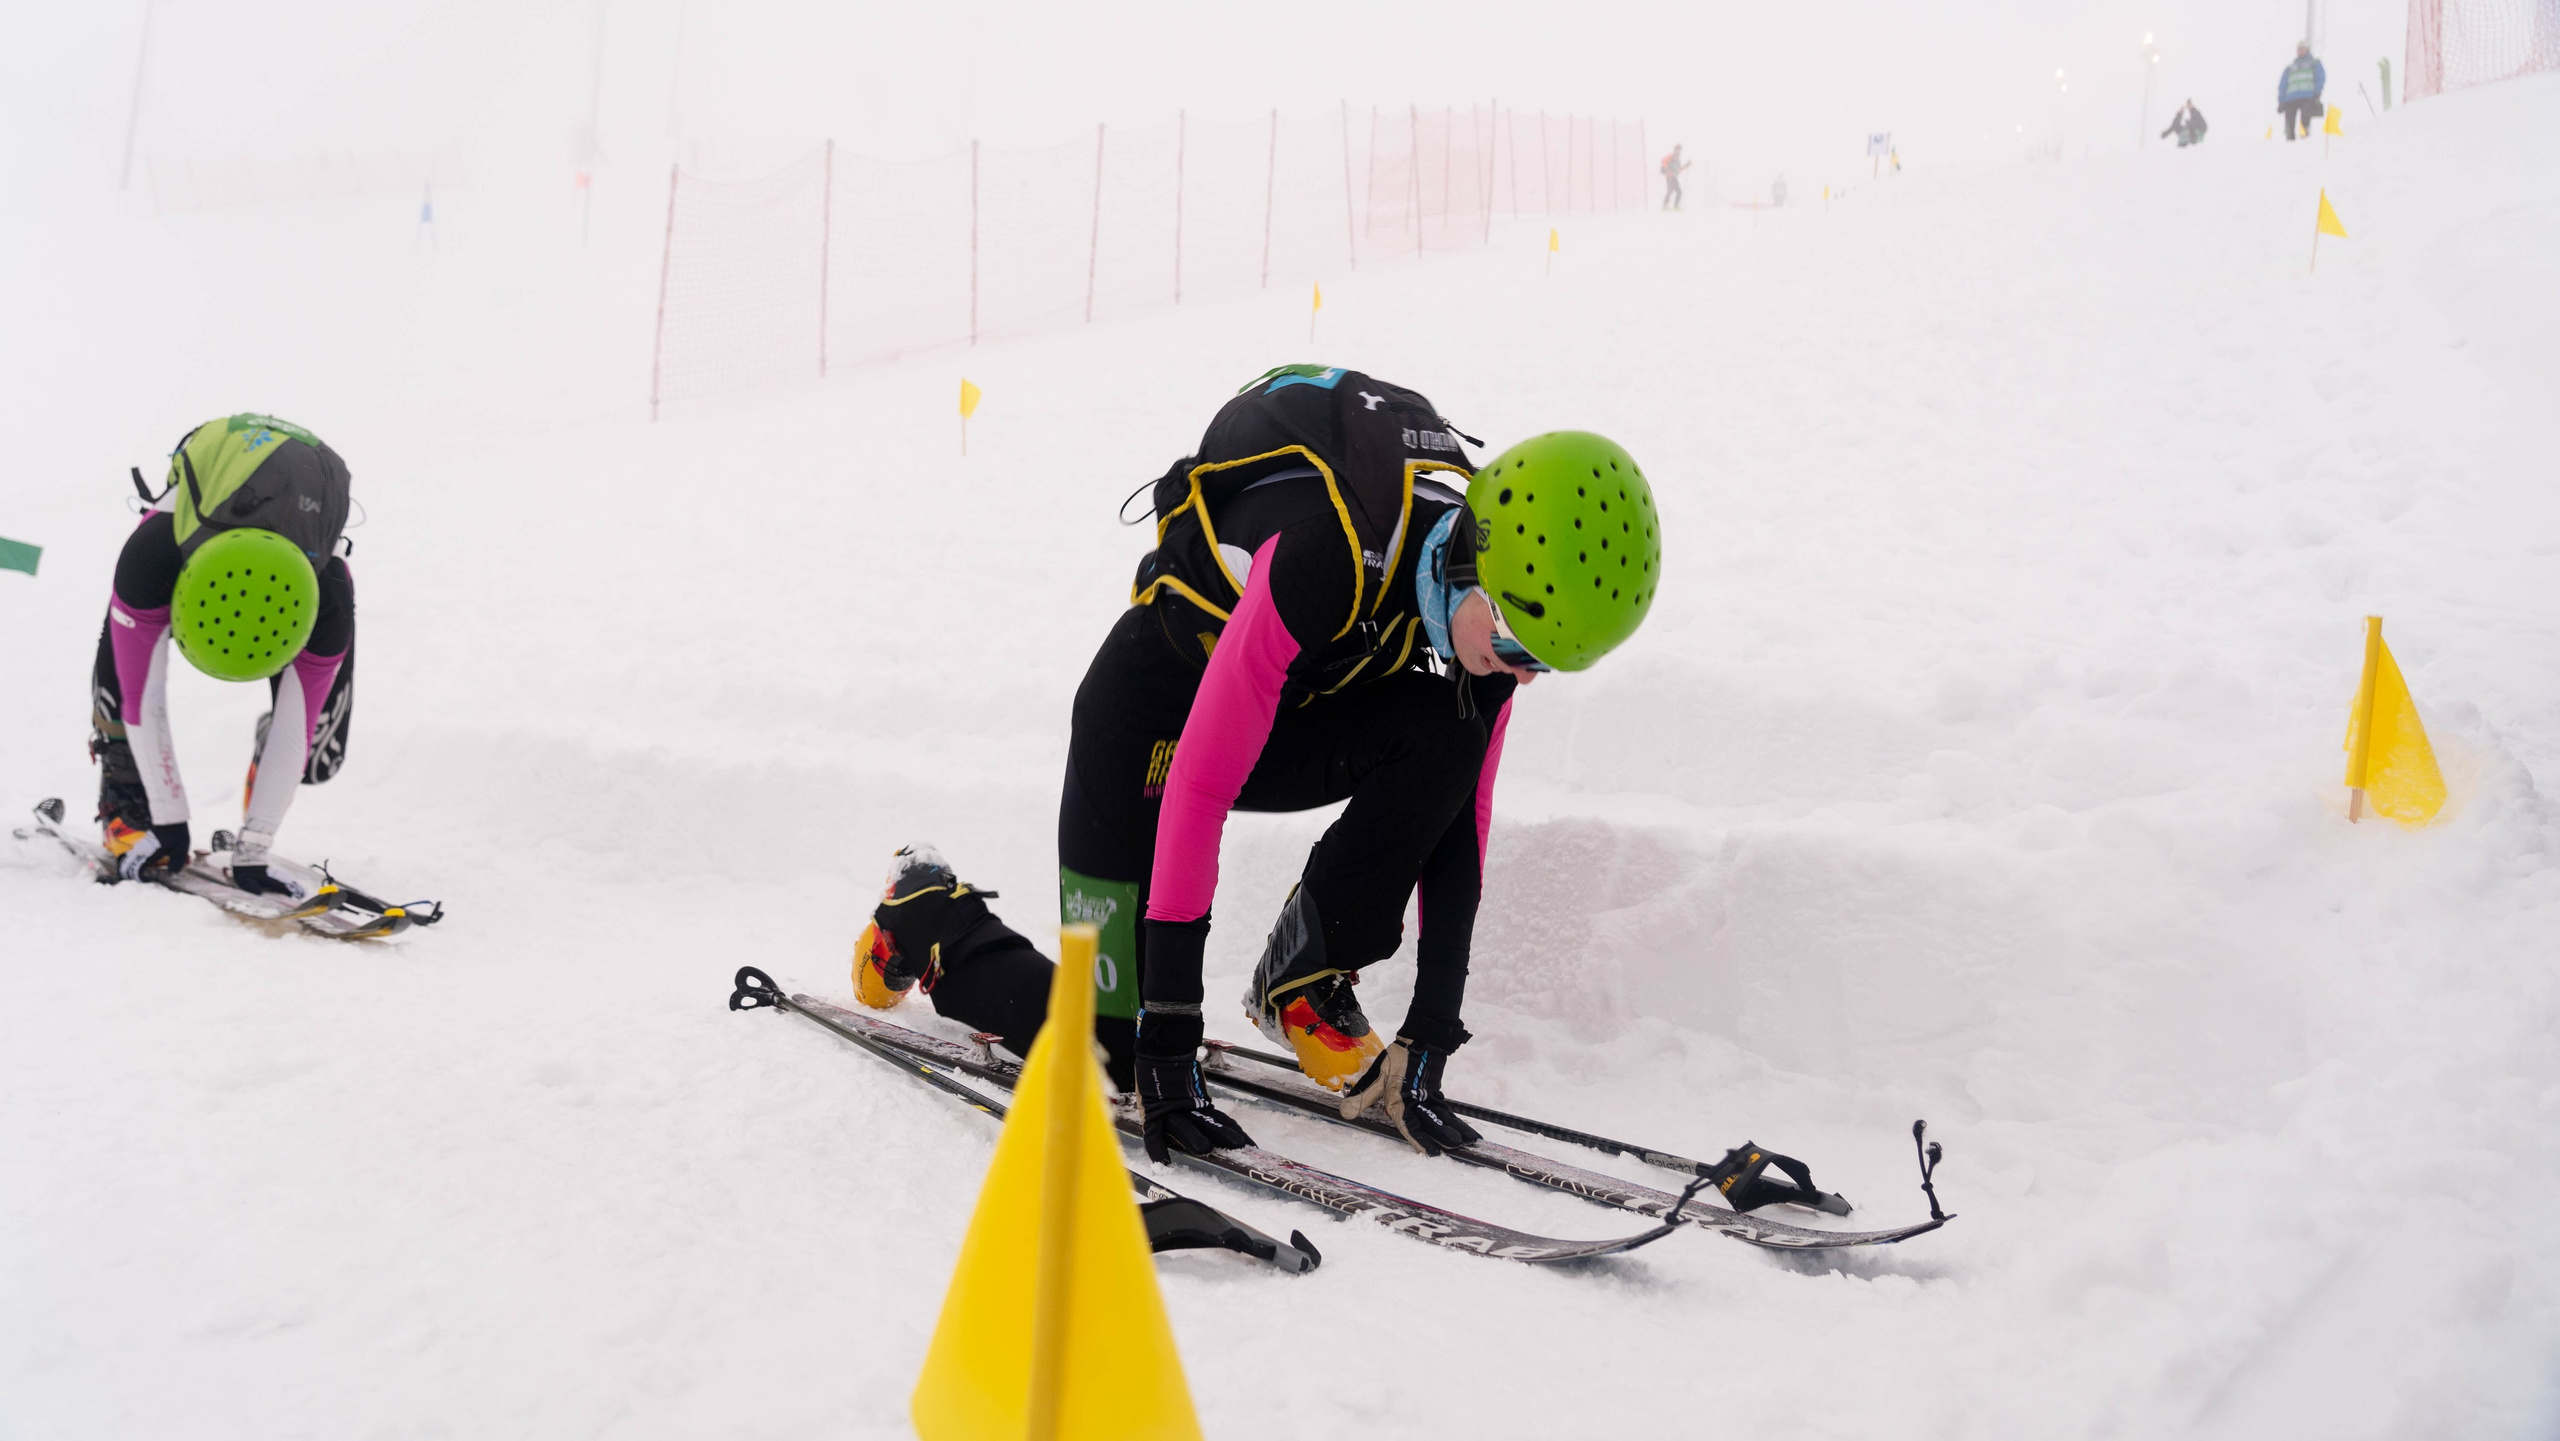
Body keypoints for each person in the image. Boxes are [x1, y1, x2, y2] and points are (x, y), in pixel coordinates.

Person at [851, 366, 1660, 1162]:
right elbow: (1198, 783)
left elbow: (1463, 822)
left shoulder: (1481, 615)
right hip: (1148, 721)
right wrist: (1168, 1032)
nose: (1521, 673)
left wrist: (1431, 1031)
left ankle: (1302, 978)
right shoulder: (1329, 557)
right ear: (1472, 569)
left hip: (1280, 713)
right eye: (1520, 646)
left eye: (1545, 664)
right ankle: (936, 922)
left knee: (1447, 734)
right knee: (1112, 1051)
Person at [90, 415, 356, 892]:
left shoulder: (329, 600)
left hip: (303, 523)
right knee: (122, 669)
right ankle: (131, 804)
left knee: (319, 751)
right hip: (199, 511)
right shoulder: (151, 559)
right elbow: (140, 701)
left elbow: (298, 727)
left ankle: (263, 751)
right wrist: (167, 821)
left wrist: (254, 847)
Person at [2278, 42, 2327, 141]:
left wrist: (2317, 92)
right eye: (2299, 49)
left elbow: (2320, 77)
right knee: (2289, 121)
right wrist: (2281, 100)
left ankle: (2304, 139)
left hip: (2307, 96)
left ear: (2307, 49)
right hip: (2290, 97)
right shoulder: (2290, 67)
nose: (2300, 51)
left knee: (2305, 118)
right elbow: (2283, 84)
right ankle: (2289, 140)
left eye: (2302, 49)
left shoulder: (2314, 63)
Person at [1660, 144, 1692, 210]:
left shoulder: (1678, 159)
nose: (1678, 151)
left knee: (1677, 192)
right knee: (1672, 191)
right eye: (1677, 149)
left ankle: (1673, 206)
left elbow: (1678, 169)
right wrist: (1666, 168)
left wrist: (1686, 165)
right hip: (1669, 176)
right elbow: (1663, 160)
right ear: (1675, 150)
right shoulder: (1672, 156)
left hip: (1674, 176)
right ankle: (1667, 206)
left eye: (1679, 150)